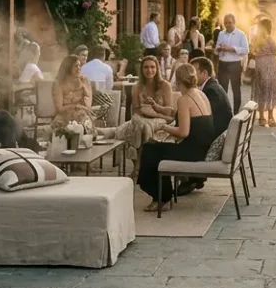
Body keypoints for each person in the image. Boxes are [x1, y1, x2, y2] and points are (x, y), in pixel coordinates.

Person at [136, 63, 216, 212]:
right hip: (202, 145)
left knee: (149, 150)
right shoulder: (201, 93)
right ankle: (163, 196)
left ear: (178, 80)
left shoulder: (184, 99)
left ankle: (162, 197)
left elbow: (183, 132)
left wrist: (163, 127)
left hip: (193, 151)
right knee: (156, 149)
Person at [95, 56, 176, 178]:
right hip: (141, 118)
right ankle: (139, 167)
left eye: (152, 67)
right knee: (135, 126)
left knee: (137, 127)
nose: (149, 70)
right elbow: (135, 111)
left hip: (160, 119)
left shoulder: (165, 85)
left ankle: (138, 167)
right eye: (146, 67)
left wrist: (154, 109)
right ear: (142, 70)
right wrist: (144, 113)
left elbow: (169, 112)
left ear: (157, 69)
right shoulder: (137, 86)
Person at [178, 57, 234, 196]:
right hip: (218, 132)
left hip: (215, 136)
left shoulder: (211, 90)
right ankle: (193, 177)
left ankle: (191, 178)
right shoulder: (209, 88)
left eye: (193, 71)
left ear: (204, 73)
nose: (191, 75)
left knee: (180, 139)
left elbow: (203, 119)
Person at [214, 13, 250, 111]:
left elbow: (246, 50)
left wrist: (232, 49)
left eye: (229, 23)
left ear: (234, 23)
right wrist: (219, 49)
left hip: (235, 64)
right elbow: (216, 49)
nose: (227, 25)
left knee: (236, 90)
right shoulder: (221, 33)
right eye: (225, 23)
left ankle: (236, 112)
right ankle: (224, 111)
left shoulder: (241, 34)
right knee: (222, 90)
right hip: (223, 64)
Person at [51, 54, 95, 132]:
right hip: (65, 114)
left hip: (81, 114)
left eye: (79, 66)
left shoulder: (84, 80)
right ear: (68, 68)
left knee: (85, 126)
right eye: (75, 66)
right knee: (57, 132)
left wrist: (84, 89)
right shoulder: (59, 83)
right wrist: (75, 106)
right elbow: (60, 108)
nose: (79, 68)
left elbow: (88, 105)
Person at [250, 17, 276, 127]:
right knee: (269, 90)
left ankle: (262, 117)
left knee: (263, 89)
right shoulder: (268, 39)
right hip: (268, 64)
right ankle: (270, 117)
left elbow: (252, 51)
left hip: (264, 64)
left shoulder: (255, 39)